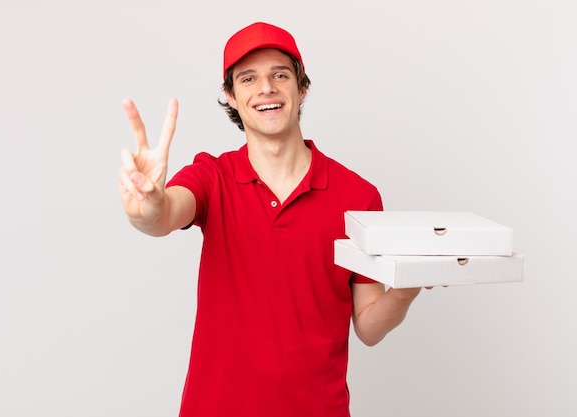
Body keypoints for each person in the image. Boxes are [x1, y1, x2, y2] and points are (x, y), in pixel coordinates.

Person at [118, 21, 423, 417]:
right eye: (248, 78)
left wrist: (404, 290)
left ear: (302, 87)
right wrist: (149, 206)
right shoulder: (212, 176)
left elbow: (367, 327)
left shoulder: (358, 196)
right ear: (230, 95)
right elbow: (166, 214)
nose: (266, 88)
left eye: (280, 74)